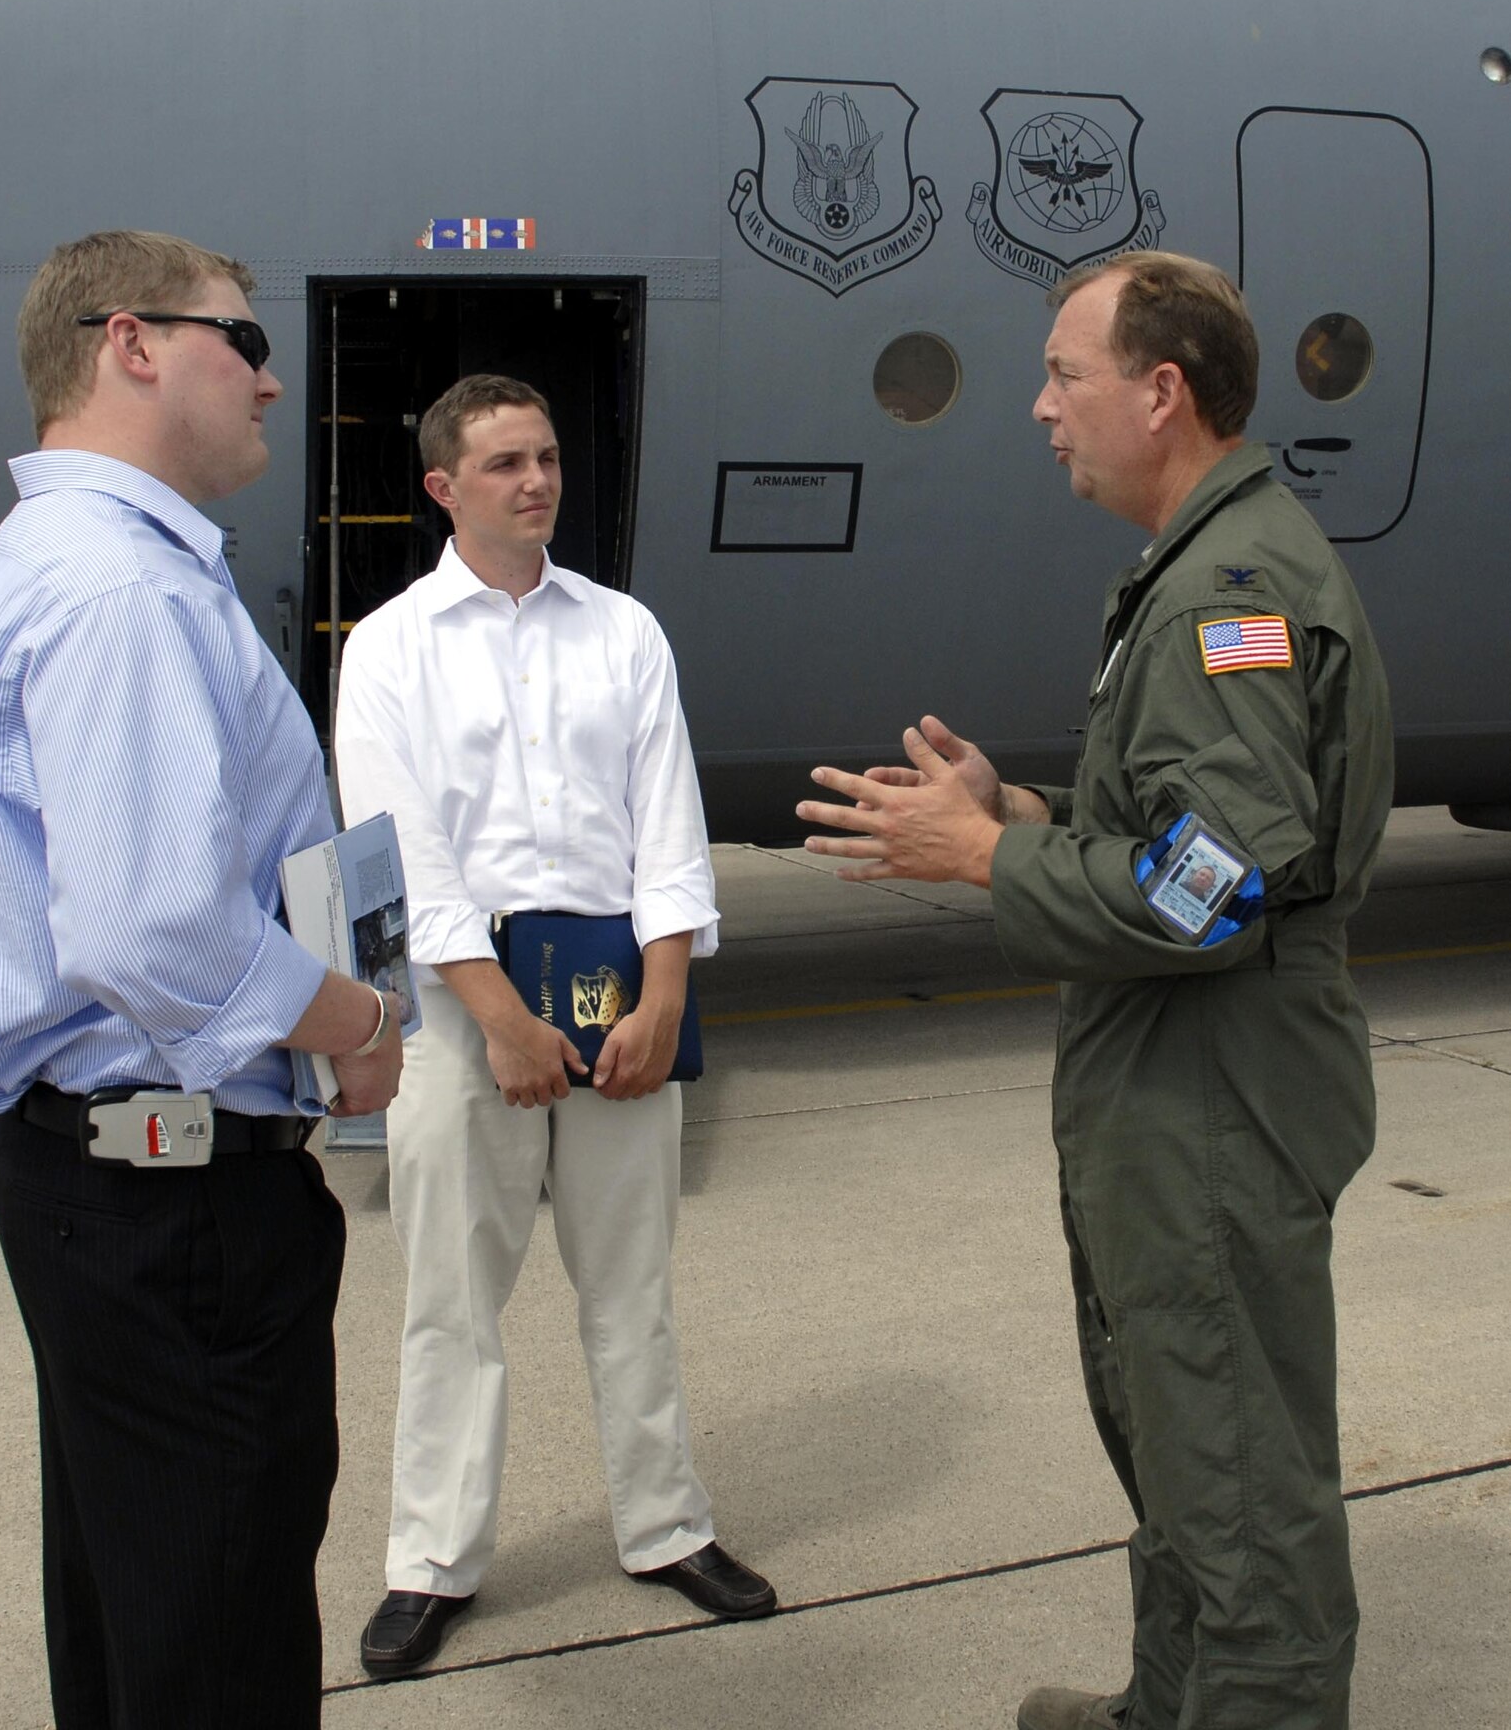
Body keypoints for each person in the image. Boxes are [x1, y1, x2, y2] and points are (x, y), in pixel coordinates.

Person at [798, 252, 1392, 1730]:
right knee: (1182, 1444)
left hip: (1215, 1097)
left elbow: (1213, 895)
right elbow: (1188, 841)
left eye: (1065, 375)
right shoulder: (1199, 563)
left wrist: (986, 867)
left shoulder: (1222, 598)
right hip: (1183, 1091)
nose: (1039, 407)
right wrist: (1025, 820)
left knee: (1240, 1482)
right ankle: (1166, 1705)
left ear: (1160, 389)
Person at [0, 230, 404, 1730]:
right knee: (216, 1650)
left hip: (116, 1195)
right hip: (176, 1208)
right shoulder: (123, 593)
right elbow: (151, 931)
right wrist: (358, 1021)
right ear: (129, 342)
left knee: (142, 1625)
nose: (275, 380)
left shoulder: (63, 559)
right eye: (243, 341)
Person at [335, 373, 776, 1680]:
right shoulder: (392, 646)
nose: (536, 482)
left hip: (616, 1004)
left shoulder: (622, 633)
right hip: (467, 1017)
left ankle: (665, 1526)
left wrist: (664, 999)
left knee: (630, 1290)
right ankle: (431, 1561)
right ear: (443, 487)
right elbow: (404, 851)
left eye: (546, 458)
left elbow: (666, 827)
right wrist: (497, 1023)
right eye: (505, 464)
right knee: (452, 1303)